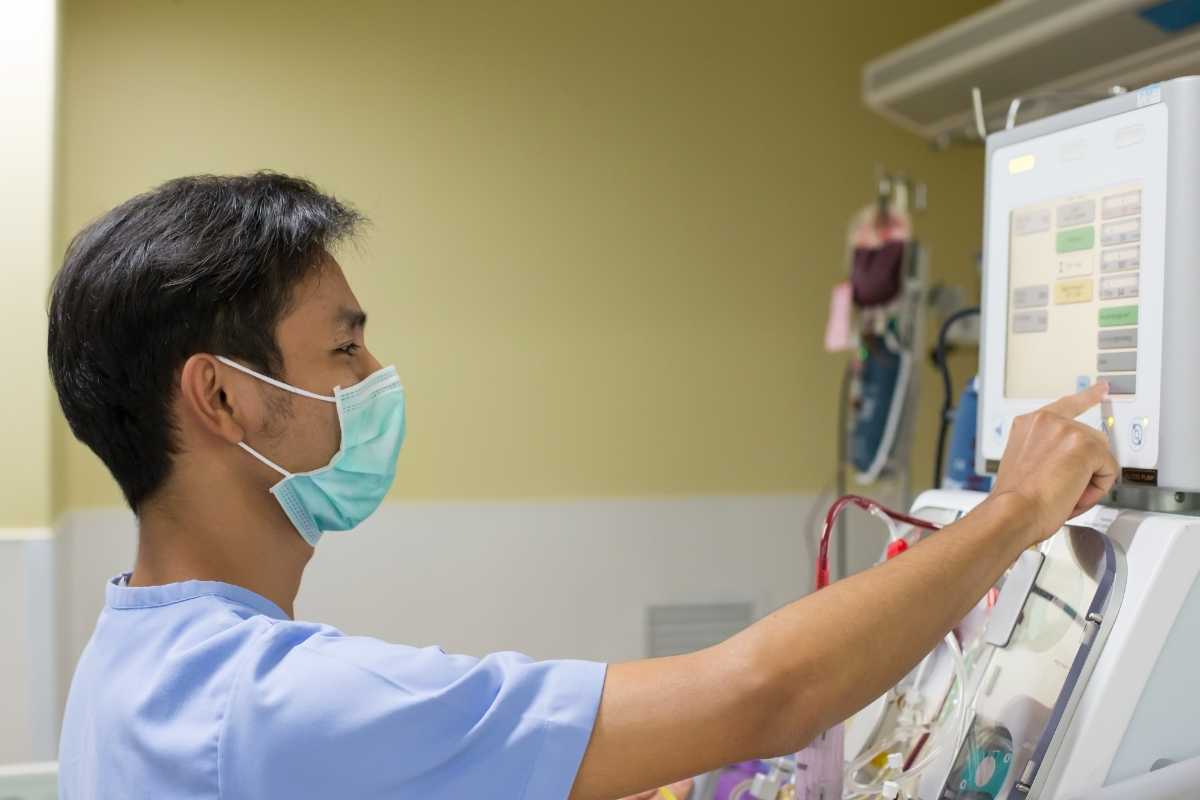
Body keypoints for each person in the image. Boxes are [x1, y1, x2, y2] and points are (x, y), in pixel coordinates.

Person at [49, 173, 1118, 800]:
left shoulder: (130, 659)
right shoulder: (270, 700)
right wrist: (1014, 511)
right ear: (223, 400)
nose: (376, 384)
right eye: (344, 351)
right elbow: (762, 695)